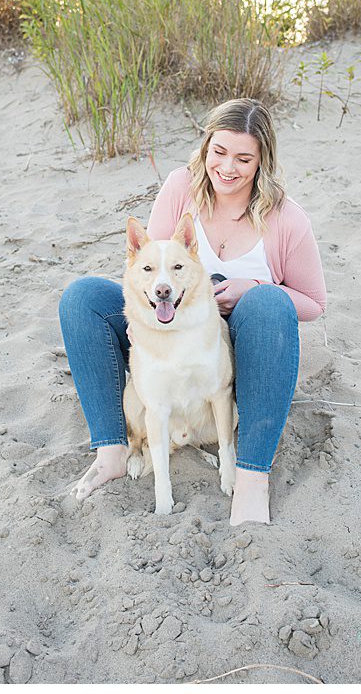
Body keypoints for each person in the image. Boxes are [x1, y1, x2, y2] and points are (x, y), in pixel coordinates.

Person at [58, 98, 327, 525]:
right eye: (219, 151)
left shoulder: (287, 219)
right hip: (175, 329)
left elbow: (314, 303)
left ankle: (252, 476)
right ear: (205, 147)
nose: (228, 167)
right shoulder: (181, 186)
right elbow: (151, 264)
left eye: (243, 158)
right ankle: (112, 447)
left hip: (241, 337)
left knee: (270, 302)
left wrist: (251, 288)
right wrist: (138, 318)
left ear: (262, 162)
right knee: (83, 298)